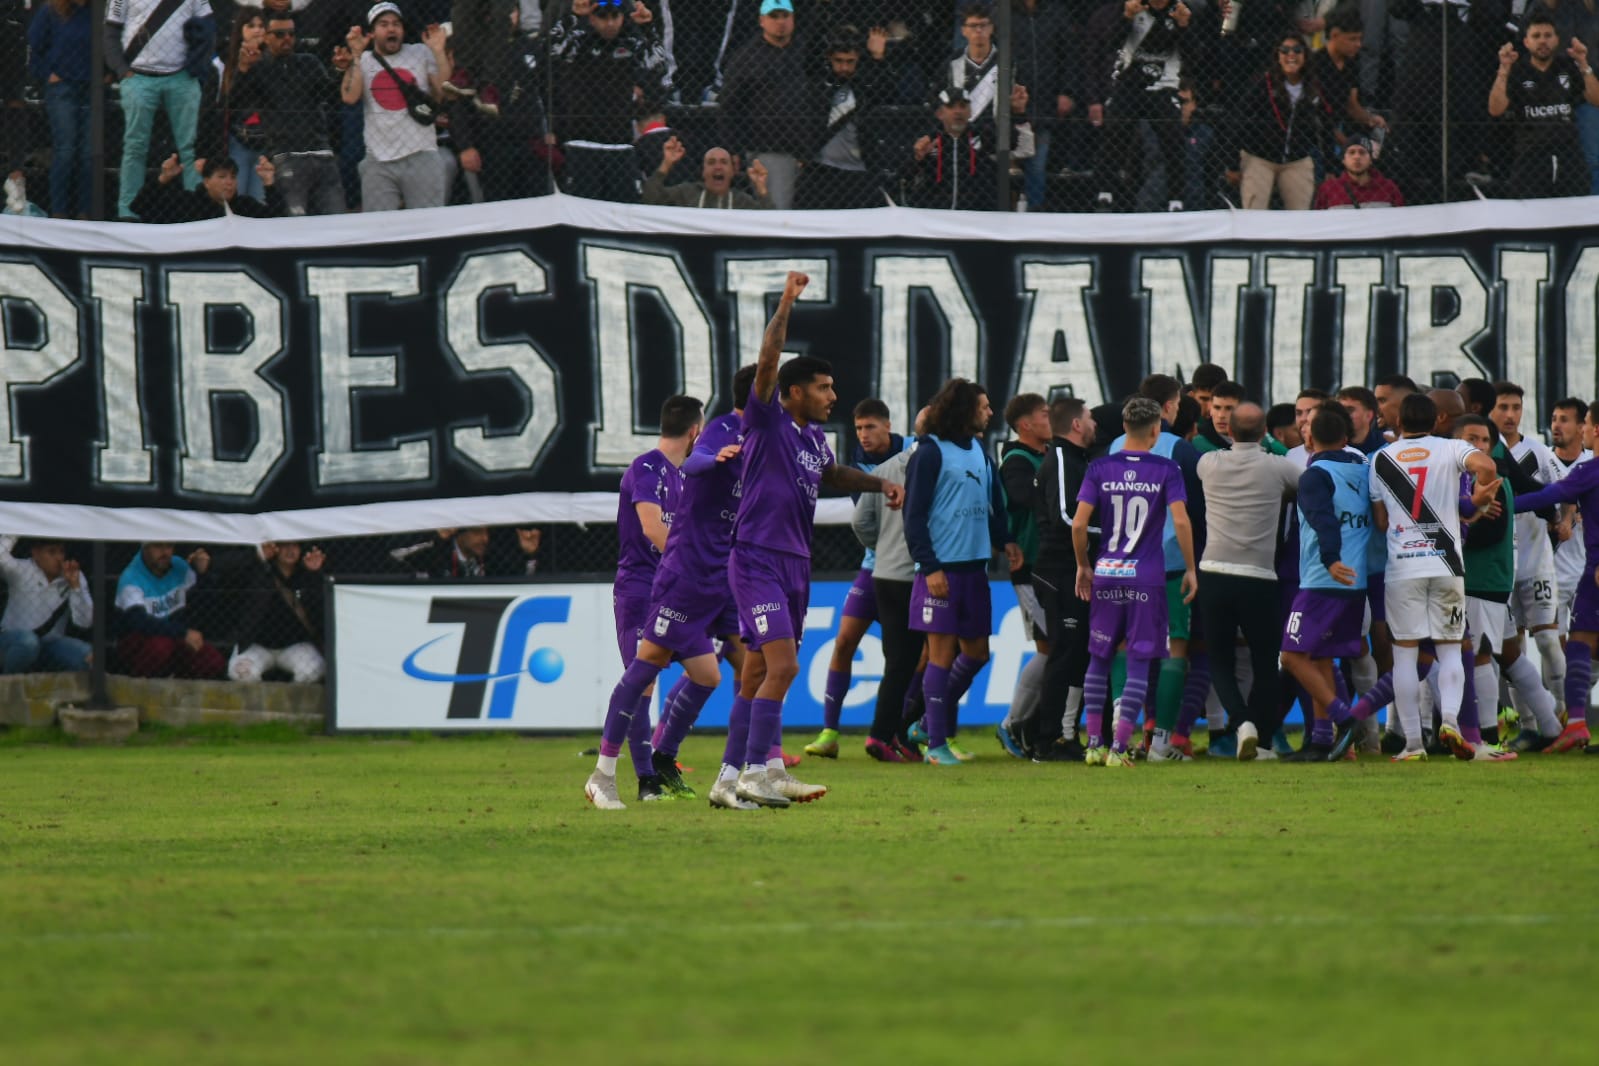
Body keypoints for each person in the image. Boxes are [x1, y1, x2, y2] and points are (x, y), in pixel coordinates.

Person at [720, 272, 903, 806]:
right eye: (824, 387)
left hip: (795, 562)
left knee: (757, 672)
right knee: (783, 667)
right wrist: (785, 303)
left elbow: (833, 475)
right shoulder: (767, 419)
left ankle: (729, 778)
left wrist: (880, 483)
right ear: (794, 391)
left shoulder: (814, 438)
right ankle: (760, 771)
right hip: (757, 556)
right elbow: (769, 359)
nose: (833, 396)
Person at [1334, 392, 1501, 760]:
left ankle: (1412, 743)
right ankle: (1451, 722)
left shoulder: (1381, 459)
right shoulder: (1451, 448)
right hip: (1446, 565)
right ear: (1436, 419)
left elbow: (1381, 522)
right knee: (1451, 648)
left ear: (1399, 422)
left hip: (1403, 568)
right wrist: (1479, 498)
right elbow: (1486, 466)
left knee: (1405, 656)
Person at [645, 366, 759, 808]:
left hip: (729, 573)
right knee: (649, 666)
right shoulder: (723, 428)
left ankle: (743, 769)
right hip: (691, 571)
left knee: (749, 667)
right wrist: (716, 459)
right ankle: (631, 759)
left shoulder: (770, 437)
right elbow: (694, 463)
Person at [584, 394, 703, 810]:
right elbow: (653, 529)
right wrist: (693, 566)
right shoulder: (646, 468)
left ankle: (663, 760)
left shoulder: (685, 477)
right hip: (640, 589)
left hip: (673, 589)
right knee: (644, 682)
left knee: (706, 671)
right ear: (694, 431)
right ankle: (644, 779)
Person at [1073, 396, 1197, 767]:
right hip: (1146, 579)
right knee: (1140, 660)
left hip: (1108, 573)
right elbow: (1181, 521)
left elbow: (1079, 524)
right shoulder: (1167, 469)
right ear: (1156, 430)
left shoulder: (1099, 467)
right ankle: (1119, 748)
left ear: (1125, 427)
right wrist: (1191, 568)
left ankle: (1094, 744)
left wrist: (1083, 565)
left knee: (1100, 657)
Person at [903, 379, 1021, 766]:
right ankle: (936, 746)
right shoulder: (930, 453)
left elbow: (992, 505)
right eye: (984, 406)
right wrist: (930, 566)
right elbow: (913, 517)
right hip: (941, 571)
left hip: (975, 569)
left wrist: (1005, 540)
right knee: (940, 655)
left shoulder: (980, 453)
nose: (990, 412)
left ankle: (926, 724)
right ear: (964, 410)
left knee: (977, 654)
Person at [1196, 402, 1302, 760]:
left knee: (1219, 659)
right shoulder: (1278, 467)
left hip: (1214, 571)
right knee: (1265, 662)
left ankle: (1241, 722)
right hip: (1259, 577)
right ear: (1263, 433)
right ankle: (1262, 737)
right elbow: (1304, 487)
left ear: (1229, 431)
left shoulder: (1208, 463)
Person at [1109, 374, 1207, 755]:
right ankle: (1162, 742)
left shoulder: (1114, 447)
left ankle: (1121, 720)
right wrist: (1193, 565)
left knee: (1124, 643)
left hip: (1121, 562)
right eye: (1178, 404)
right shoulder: (1179, 451)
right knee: (1174, 647)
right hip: (1167, 564)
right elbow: (1192, 514)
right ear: (1167, 408)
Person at [805, 399, 903, 759]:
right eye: (859, 428)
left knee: (908, 656)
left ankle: (906, 731)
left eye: (870, 427)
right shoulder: (857, 464)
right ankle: (829, 732)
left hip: (907, 571)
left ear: (888, 426)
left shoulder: (912, 454)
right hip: (873, 567)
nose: (863, 434)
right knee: (845, 641)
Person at [1280, 405, 1369, 761]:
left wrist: (1330, 558)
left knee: (1291, 656)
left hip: (1323, 579)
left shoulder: (1315, 475)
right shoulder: (1363, 470)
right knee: (1321, 657)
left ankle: (1344, 719)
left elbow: (1323, 519)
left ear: (1311, 438)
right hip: (1356, 581)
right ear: (1346, 438)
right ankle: (1321, 741)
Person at [853, 408, 929, 764]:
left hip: (884, 574)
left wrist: (882, 547)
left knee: (899, 661)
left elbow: (860, 522)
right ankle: (902, 730)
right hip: (920, 575)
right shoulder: (940, 467)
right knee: (946, 654)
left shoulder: (882, 471)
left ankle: (886, 733)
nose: (863, 433)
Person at [1027, 395, 1097, 761]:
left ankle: (1066, 734)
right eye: (1090, 418)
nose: (1094, 424)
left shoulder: (1078, 459)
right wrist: (1111, 534)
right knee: (1065, 651)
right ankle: (1045, 738)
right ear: (1076, 424)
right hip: (1060, 571)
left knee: (1078, 653)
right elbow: (1067, 517)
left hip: (1075, 570)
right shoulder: (1059, 458)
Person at [547, 0, 670, 202]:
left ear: (623, 17)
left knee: (624, 206)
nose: (610, 23)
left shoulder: (631, 42)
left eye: (615, 16)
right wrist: (573, 17)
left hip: (620, 143)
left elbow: (658, 65)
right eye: (603, 17)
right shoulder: (579, 40)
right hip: (582, 142)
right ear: (592, 18)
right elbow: (553, 52)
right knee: (582, 206)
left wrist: (647, 27)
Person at [106, 0, 216, 220]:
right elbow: (110, 32)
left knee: (191, 147)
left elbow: (208, 24)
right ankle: (129, 212)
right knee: (135, 146)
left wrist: (194, 66)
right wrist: (121, 69)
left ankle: (196, 210)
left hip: (181, 76)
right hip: (137, 76)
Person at [342, 2, 452, 211]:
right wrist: (355, 54)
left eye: (396, 24)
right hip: (378, 159)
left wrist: (438, 52)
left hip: (421, 153)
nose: (391, 29)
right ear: (372, 33)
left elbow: (444, 90)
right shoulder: (364, 60)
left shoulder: (420, 52)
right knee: (380, 226)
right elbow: (349, 97)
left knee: (427, 223)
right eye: (384, 24)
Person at [237, 12, 347, 215]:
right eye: (280, 34)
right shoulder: (258, 68)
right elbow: (236, 102)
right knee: (294, 222)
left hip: (321, 152)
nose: (287, 38)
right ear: (266, 37)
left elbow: (331, 96)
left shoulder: (309, 62)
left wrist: (339, 71)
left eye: (291, 33)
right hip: (285, 154)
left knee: (337, 219)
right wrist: (243, 69)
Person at [1090, 0, 1191, 212]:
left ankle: (1176, 199)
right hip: (1129, 82)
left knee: (1173, 138)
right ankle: (1104, 192)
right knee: (1115, 131)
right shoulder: (1133, 8)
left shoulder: (1180, 11)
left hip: (1163, 85)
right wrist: (1126, 18)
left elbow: (1193, 56)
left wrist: (1184, 27)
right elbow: (1112, 45)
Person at [1488, 13, 1599, 199]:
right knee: (1530, 209)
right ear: (1526, 42)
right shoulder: (1518, 71)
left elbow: (1596, 100)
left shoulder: (1568, 67)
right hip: (1531, 155)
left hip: (1568, 154)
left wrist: (1583, 63)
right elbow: (1495, 109)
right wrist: (1503, 70)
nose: (1542, 41)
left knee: (1574, 206)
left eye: (1548, 35)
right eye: (1536, 36)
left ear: (1557, 40)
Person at [995, 392, 1051, 758]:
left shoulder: (1045, 456)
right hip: (1030, 569)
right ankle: (1013, 723)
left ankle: (1031, 726)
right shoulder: (1017, 461)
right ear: (1025, 424)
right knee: (1052, 647)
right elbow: (1022, 498)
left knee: (1056, 648)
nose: (1051, 419)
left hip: (1050, 567)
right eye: (1045, 414)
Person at [719, 0, 811, 209]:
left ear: (793, 18)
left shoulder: (806, 52)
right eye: (774, 16)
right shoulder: (746, 58)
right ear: (762, 20)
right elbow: (729, 106)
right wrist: (732, 148)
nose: (780, 22)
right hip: (769, 149)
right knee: (775, 210)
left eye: (785, 16)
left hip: (810, 150)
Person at [798, 24, 896, 210]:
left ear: (858, 59)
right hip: (822, 169)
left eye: (850, 61)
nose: (844, 67)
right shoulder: (818, 83)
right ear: (829, 58)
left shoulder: (865, 85)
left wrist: (877, 58)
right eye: (839, 61)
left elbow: (888, 93)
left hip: (859, 170)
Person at [1228, 33, 1329, 211]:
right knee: (1254, 212)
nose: (1291, 55)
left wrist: (1330, 166)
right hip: (1260, 157)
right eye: (1285, 50)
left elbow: (1327, 123)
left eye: (1297, 50)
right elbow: (1239, 120)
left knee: (1301, 214)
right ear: (1278, 56)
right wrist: (1232, 163)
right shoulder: (1263, 83)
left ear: (1305, 55)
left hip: (1297, 158)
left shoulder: (1313, 86)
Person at [217, 542, 328, 683]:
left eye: (295, 546)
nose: (290, 550)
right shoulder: (257, 570)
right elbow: (220, 570)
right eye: (284, 545)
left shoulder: (306, 575)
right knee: (241, 673)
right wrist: (257, 556)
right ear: (275, 548)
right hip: (257, 645)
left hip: (297, 646)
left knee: (310, 672)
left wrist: (314, 574)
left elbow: (320, 612)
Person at [114, 542, 226, 679]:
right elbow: (139, 622)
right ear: (145, 548)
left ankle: (179, 680)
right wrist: (182, 633)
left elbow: (203, 604)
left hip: (175, 638)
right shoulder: (131, 577)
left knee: (213, 660)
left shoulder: (179, 566)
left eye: (169, 546)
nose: (165, 552)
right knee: (160, 647)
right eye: (158, 546)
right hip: (142, 642)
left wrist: (203, 573)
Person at [1546, 395, 1590, 731]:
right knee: (1551, 643)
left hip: (1584, 569)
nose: (1556, 425)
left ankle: (1572, 711)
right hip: (1548, 570)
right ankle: (1561, 715)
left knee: (1580, 646)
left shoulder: (1591, 464)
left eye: (1565, 419)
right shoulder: (1543, 461)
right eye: (1554, 418)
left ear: (1582, 426)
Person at [28, 0, 93, 219]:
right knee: (65, 149)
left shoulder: (98, 12)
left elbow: (111, 42)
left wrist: (108, 72)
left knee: (88, 153)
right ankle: (59, 211)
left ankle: (85, 211)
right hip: (62, 87)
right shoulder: (52, 11)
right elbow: (34, 47)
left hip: (92, 89)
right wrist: (48, 73)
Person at [0, 536, 92, 674]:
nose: (59, 558)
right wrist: (14, 532)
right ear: (36, 553)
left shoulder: (73, 575)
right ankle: (7, 683)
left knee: (87, 654)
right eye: (52, 552)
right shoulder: (22, 569)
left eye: (61, 552)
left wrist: (75, 587)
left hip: (51, 644)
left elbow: (85, 622)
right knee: (28, 642)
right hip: (13, 640)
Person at [909, 84, 998, 210]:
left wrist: (1019, 113)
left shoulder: (984, 135)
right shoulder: (926, 140)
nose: (958, 111)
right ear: (939, 113)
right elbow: (904, 176)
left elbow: (1020, 149)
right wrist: (917, 158)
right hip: (934, 213)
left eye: (962, 106)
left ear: (970, 112)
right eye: (951, 106)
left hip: (977, 213)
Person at [131, 153, 280, 221]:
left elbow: (277, 220)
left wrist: (269, 183)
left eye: (233, 177)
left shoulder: (245, 206)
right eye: (222, 177)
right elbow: (139, 207)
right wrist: (163, 179)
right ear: (207, 181)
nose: (229, 182)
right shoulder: (186, 202)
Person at [642, 141, 772, 208]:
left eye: (724, 162)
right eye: (711, 162)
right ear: (703, 172)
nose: (718, 167)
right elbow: (651, 199)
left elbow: (769, 221)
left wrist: (761, 188)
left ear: (732, 172)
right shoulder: (687, 193)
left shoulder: (742, 201)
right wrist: (666, 163)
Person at [387, 526, 542, 576]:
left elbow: (522, 583)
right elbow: (394, 554)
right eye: (477, 532)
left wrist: (529, 555)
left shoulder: (492, 557)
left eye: (486, 533)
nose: (485, 539)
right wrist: (435, 536)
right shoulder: (436, 552)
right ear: (459, 533)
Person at [1312, 136, 1404, 208]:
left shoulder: (1389, 188)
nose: (1357, 157)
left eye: (1362, 152)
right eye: (1351, 152)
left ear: (1370, 160)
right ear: (1343, 160)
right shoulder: (1328, 189)